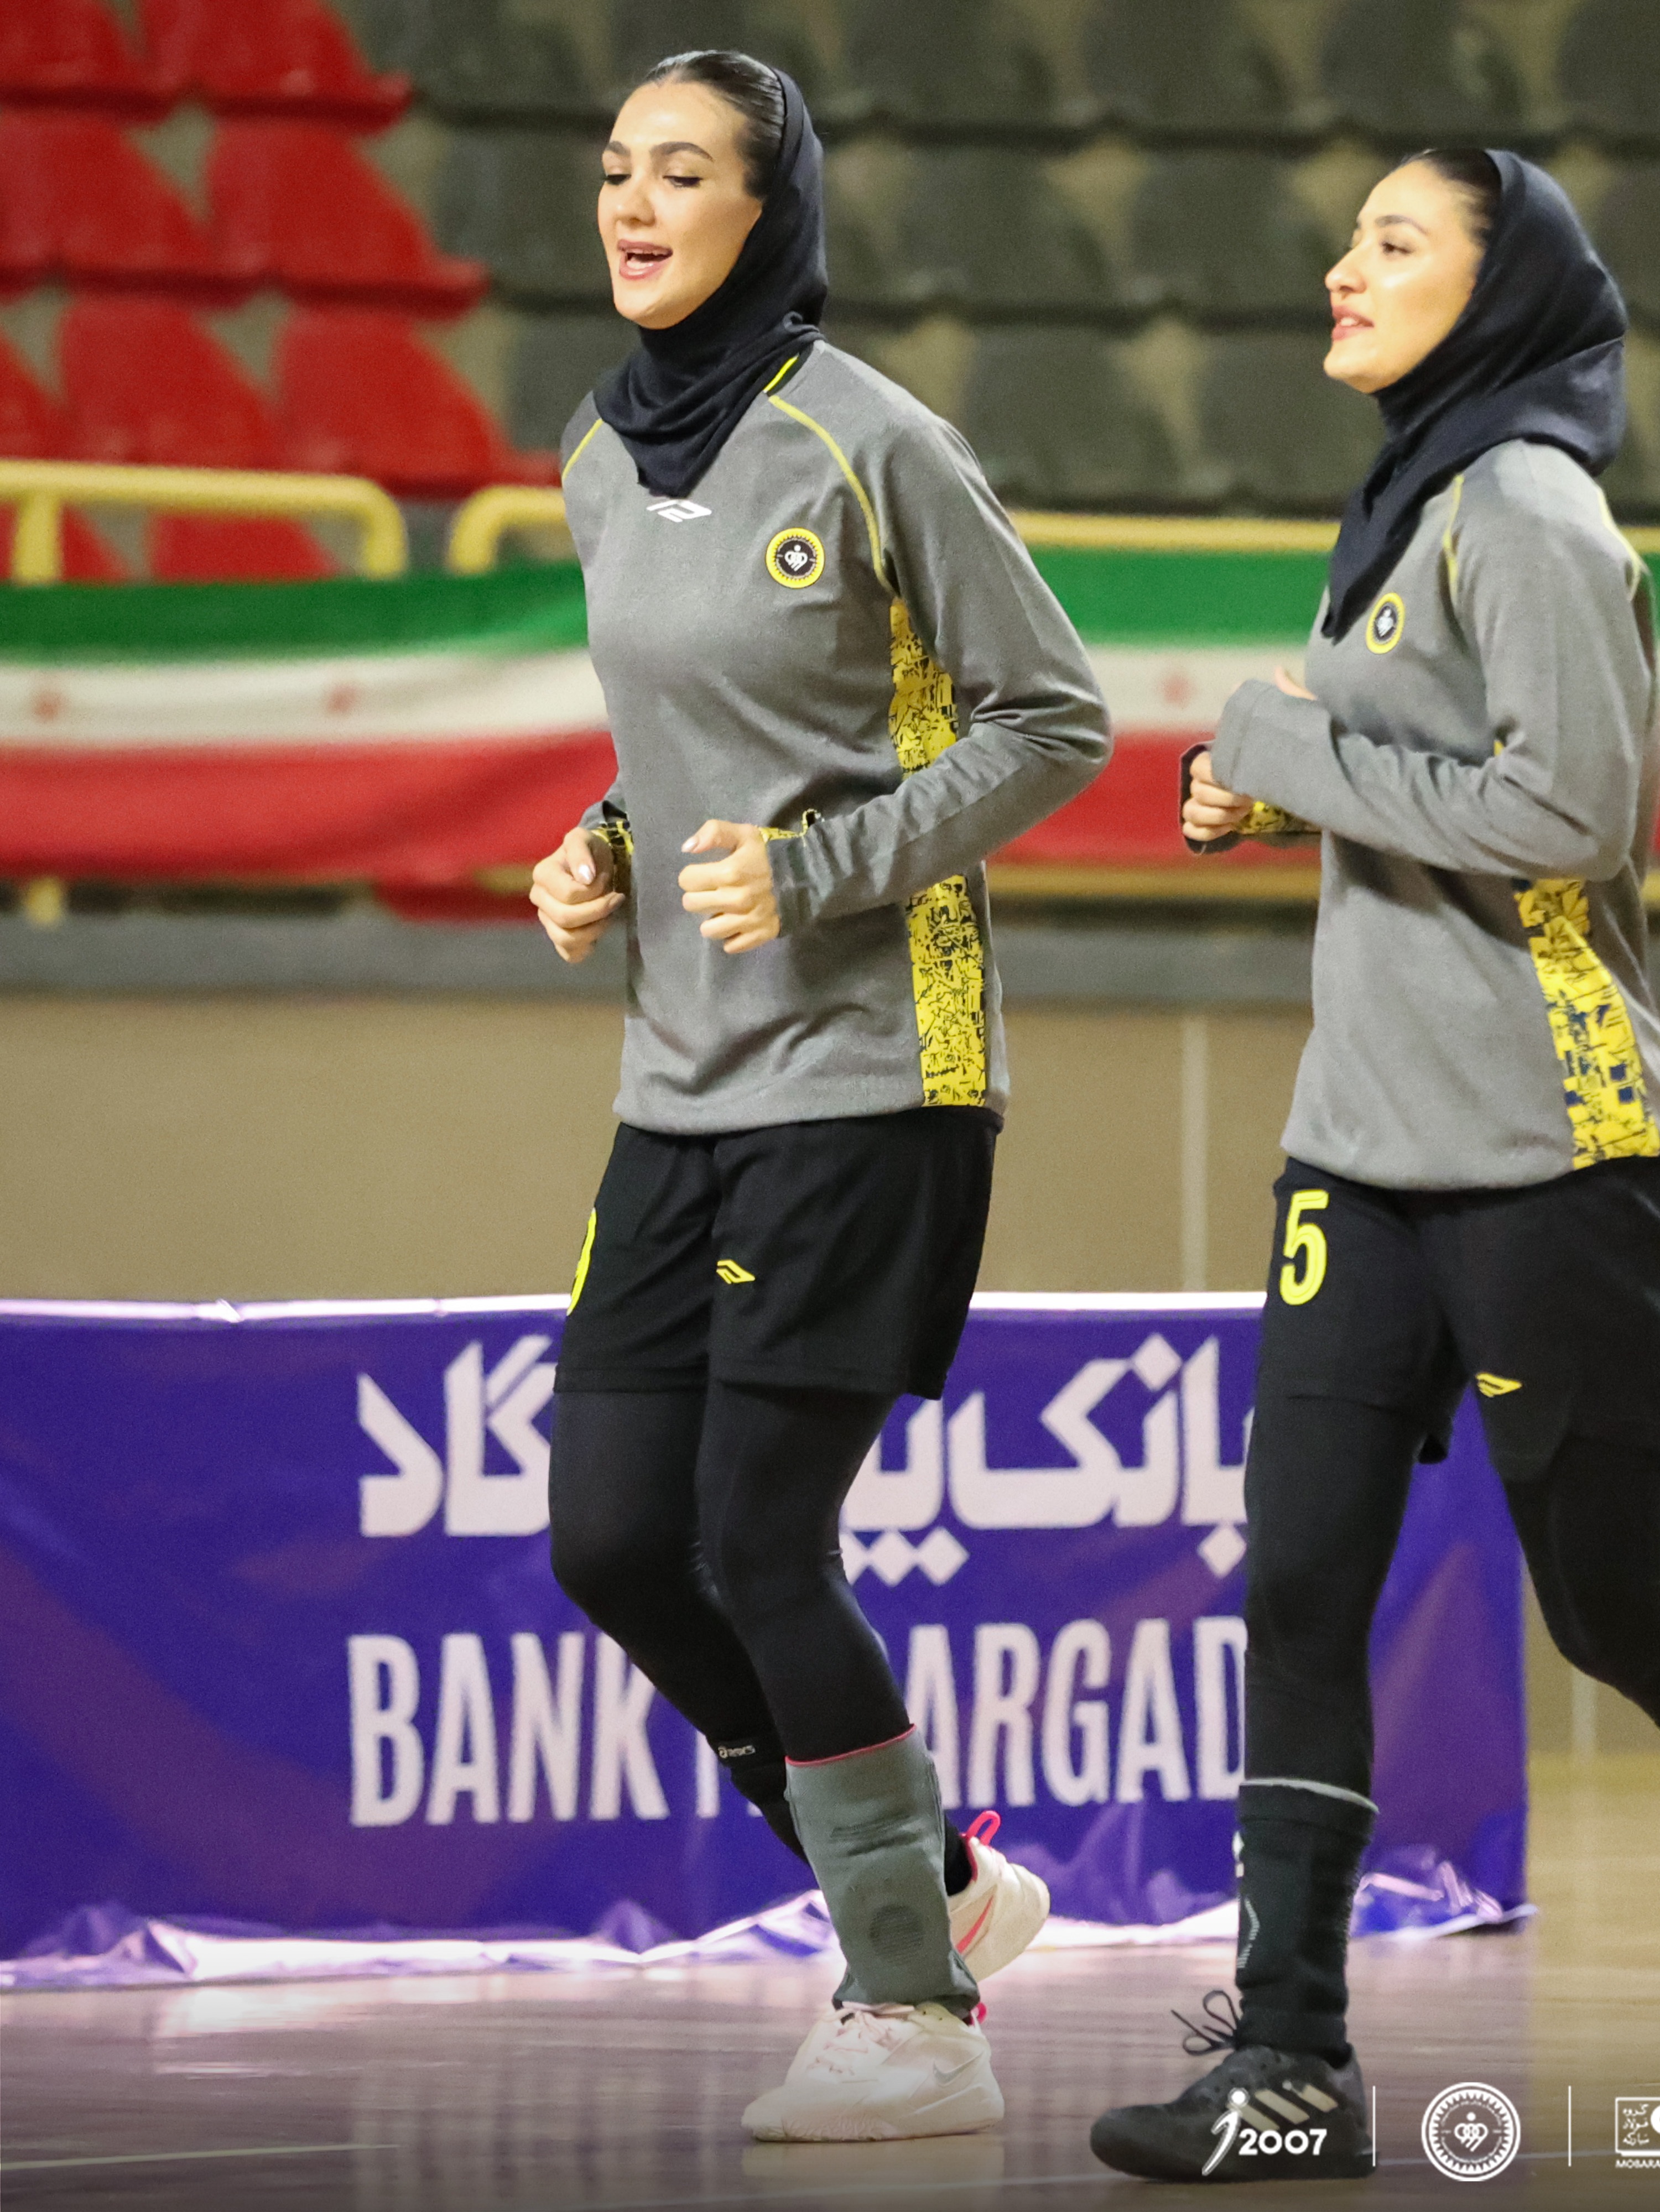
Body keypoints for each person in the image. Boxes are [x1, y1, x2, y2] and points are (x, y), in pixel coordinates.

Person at [1086, 149, 1660, 2185]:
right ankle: (1290, 2064)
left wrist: (1289, 749)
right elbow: (1421, 773)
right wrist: (1278, 789)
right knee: (1300, 1585)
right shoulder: (1409, 503)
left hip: (1548, 1144)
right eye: (1350, 235)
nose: (1345, 265)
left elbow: (1567, 815)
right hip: (1362, 1145)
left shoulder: (1534, 511)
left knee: (1611, 1603)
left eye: (1396, 242)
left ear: (1500, 297)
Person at [524, 48, 1111, 2143]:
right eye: (617, 168)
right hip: (678, 1083)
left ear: (768, 209)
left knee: (760, 1538)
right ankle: (934, 1878)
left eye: (682, 171)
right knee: (615, 1541)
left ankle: (914, 2013)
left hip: (877, 1073)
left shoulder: (878, 444)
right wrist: (605, 844)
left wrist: (821, 868)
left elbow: (1056, 720)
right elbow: (690, 747)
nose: (633, 201)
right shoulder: (596, 450)